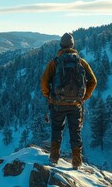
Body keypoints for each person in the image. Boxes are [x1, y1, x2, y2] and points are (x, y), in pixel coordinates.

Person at [41, 33, 97, 170]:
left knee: (57, 129)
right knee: (75, 131)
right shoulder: (81, 62)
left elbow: (44, 81)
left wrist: (48, 95)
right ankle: (77, 162)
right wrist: (84, 97)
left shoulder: (55, 62)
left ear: (61, 45)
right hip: (76, 104)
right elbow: (93, 81)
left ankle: (54, 158)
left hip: (58, 103)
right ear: (72, 45)